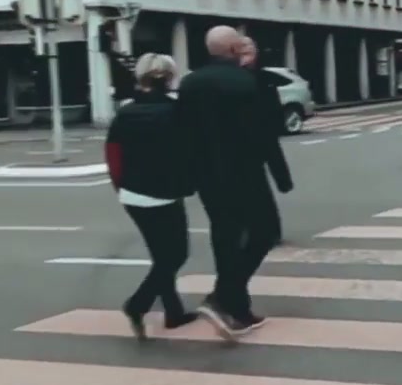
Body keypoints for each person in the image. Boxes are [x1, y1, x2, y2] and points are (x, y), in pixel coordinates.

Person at [177, 26, 293, 340]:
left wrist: (187, 176)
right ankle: (223, 295)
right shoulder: (246, 83)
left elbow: (182, 133)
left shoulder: (189, 83)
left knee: (225, 237)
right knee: (265, 232)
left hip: (206, 176)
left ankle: (239, 309)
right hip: (245, 172)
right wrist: (281, 176)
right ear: (233, 50)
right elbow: (266, 133)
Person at [105, 53, 199, 340]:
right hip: (165, 193)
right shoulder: (178, 111)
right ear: (170, 78)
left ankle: (174, 312)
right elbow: (190, 152)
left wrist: (121, 186)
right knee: (176, 256)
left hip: (132, 194)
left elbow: (113, 154)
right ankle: (137, 304)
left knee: (162, 257)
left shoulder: (125, 113)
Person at [239, 36, 292, 245]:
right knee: (249, 189)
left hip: (262, 135)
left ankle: (270, 231)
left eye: (249, 48)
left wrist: (276, 125)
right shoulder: (233, 77)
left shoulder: (263, 77)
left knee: (259, 187)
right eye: (242, 49)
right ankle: (254, 230)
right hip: (241, 140)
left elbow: (273, 107)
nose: (246, 52)